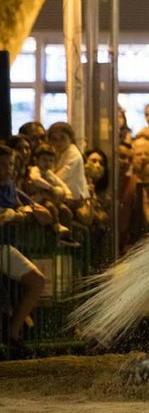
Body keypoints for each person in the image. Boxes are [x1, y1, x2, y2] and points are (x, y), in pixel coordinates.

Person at [0, 145, 46, 359]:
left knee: (37, 281)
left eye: (9, 163)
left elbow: (34, 210)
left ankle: (13, 334)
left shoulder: (10, 186)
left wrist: (19, 213)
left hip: (3, 247)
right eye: (2, 164)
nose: (7, 168)